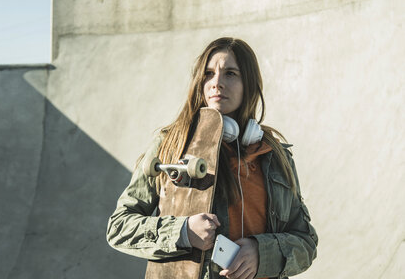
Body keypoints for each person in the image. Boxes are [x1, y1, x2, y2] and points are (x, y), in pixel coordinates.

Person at [106, 37, 318, 279]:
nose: (217, 83)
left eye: (230, 73)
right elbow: (119, 227)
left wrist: (262, 252)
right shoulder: (170, 145)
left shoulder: (274, 156)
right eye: (208, 73)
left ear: (248, 84)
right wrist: (183, 232)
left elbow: (306, 242)